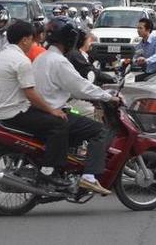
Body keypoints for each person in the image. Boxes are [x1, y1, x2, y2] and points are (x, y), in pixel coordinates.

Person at [33, 17, 120, 195]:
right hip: (54, 113)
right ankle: (89, 177)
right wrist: (107, 97)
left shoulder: (42, 58)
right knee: (99, 130)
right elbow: (81, 86)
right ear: (70, 38)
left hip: (40, 112)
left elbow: (62, 87)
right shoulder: (60, 62)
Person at [0, 20, 76, 187]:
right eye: (32, 39)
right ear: (25, 40)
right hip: (16, 114)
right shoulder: (21, 61)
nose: (34, 43)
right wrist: (52, 110)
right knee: (59, 124)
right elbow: (30, 94)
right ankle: (50, 171)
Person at [133, 18, 156, 82]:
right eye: (137, 28)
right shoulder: (141, 44)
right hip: (150, 71)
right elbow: (135, 56)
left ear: (148, 30)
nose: (138, 30)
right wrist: (136, 60)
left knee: (145, 80)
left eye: (140, 28)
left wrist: (146, 61)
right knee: (135, 79)